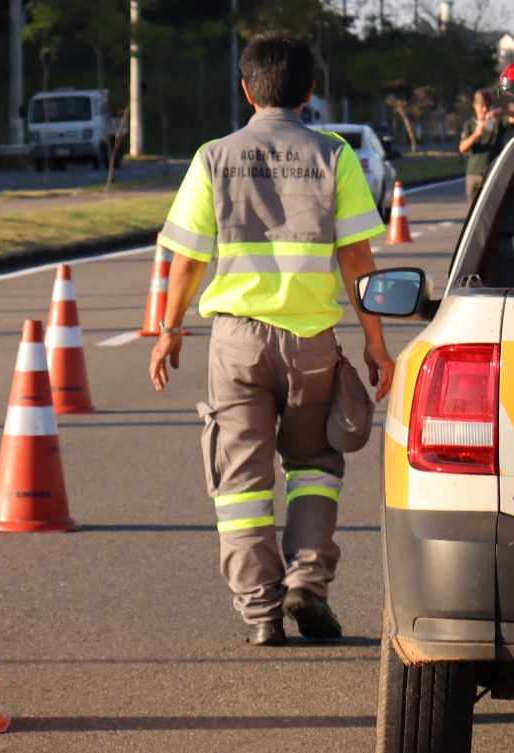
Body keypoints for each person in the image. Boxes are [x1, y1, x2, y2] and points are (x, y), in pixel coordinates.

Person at [149, 32, 393, 647]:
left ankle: (260, 611)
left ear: (246, 89)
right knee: (315, 467)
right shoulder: (334, 155)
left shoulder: (213, 157)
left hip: (236, 344)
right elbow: (357, 258)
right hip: (311, 342)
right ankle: (307, 583)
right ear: (310, 91)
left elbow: (186, 259)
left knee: (240, 483)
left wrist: (169, 330)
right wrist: (376, 343)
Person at [458, 89, 514, 205]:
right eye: (482, 106)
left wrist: (503, 111)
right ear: (475, 106)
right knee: (473, 209)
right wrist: (476, 134)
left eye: (487, 106)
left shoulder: (497, 122)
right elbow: (462, 148)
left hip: (493, 171)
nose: (484, 109)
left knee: (493, 206)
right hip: (473, 173)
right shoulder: (470, 125)